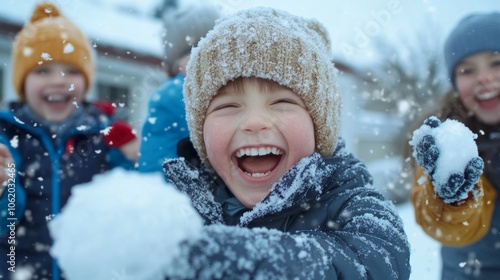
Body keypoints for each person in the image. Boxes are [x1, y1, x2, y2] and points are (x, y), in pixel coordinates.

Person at [159, 7, 411, 279]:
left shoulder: (355, 206)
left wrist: (234, 260)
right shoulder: (178, 212)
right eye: (228, 105)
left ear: (318, 128)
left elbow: (373, 263)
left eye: (282, 102)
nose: (254, 121)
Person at [0, 2, 136, 279]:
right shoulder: (6, 134)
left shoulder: (104, 135)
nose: (59, 81)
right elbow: (7, 220)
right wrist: (3, 191)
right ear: (22, 82)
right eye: (42, 70)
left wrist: (135, 158)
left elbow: (129, 205)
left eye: (71, 71)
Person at [410, 12, 500, 279]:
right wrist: (454, 201)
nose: (483, 78)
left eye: (496, 63)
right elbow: (442, 228)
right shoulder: (444, 144)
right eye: (467, 70)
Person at [138, 4, 220, 172]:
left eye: (214, 47)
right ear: (173, 66)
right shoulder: (176, 92)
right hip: (169, 185)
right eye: (193, 49)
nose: (204, 55)